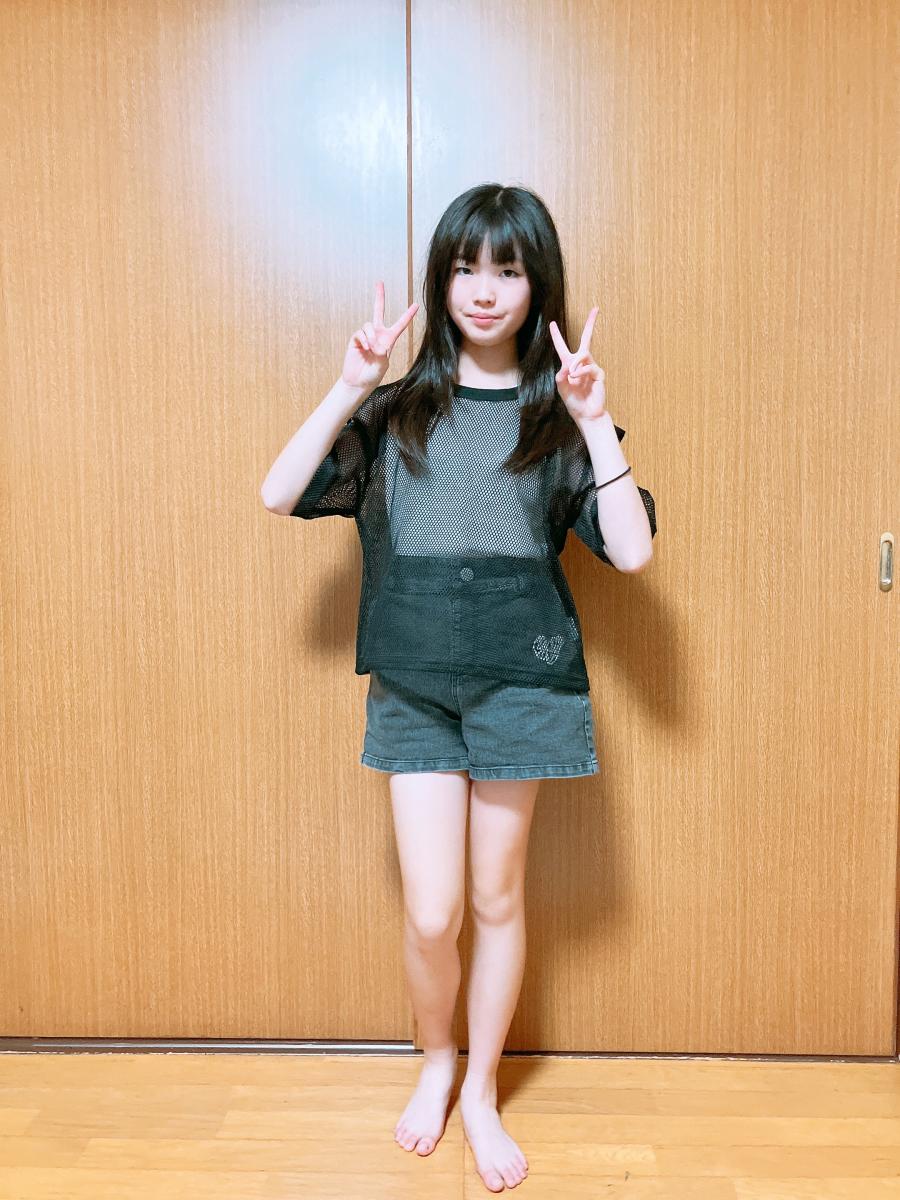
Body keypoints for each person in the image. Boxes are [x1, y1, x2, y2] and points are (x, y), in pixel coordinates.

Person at [261, 183, 656, 1193]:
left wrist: (595, 421)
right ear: (442, 279)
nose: (485, 290)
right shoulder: (401, 410)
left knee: (496, 895)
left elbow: (632, 552)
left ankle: (480, 1087)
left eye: (508, 269)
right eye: (467, 267)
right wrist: (349, 384)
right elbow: (278, 491)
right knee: (434, 912)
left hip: (524, 684)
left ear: (536, 284)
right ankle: (435, 1058)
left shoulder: (558, 416)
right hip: (417, 681)